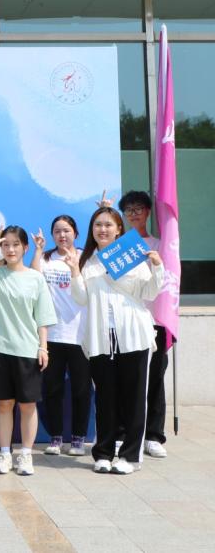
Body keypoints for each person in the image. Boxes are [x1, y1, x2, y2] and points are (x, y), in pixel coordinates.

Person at [68, 206, 164, 475]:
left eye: (108, 225)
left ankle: (130, 456)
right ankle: (103, 453)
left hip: (133, 335)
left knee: (134, 399)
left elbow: (149, 292)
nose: (103, 229)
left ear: (119, 229)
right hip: (101, 339)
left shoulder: (132, 255)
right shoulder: (87, 260)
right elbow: (81, 298)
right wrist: (75, 271)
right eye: (98, 225)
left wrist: (157, 267)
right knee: (105, 398)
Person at [0, 226, 57, 477]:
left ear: (25, 248)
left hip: (27, 350)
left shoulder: (35, 278)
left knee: (28, 405)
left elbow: (42, 317)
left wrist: (43, 347)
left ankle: (26, 454)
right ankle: (5, 453)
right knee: (4, 404)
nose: (10, 249)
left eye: (16, 244)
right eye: (5, 244)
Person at [31, 216, 90, 457]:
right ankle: (55, 437)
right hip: (52, 335)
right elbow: (33, 280)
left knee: (81, 390)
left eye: (66, 230)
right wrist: (38, 250)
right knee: (52, 389)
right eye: (57, 231)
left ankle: (78, 439)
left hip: (81, 336)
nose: (62, 235)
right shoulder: (46, 259)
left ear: (75, 233)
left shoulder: (86, 257)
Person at [118, 191, 169, 459]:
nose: (134, 213)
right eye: (129, 210)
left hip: (155, 321)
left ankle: (153, 435)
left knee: (155, 378)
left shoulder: (161, 244)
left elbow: (170, 281)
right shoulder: (119, 246)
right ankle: (123, 433)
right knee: (125, 379)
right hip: (126, 320)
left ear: (148, 212)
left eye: (138, 208)